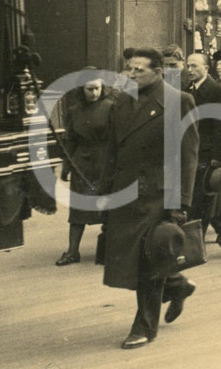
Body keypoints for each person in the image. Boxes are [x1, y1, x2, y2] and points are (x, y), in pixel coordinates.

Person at [99, 47, 199, 349]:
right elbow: (112, 152)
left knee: (147, 260)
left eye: (138, 70)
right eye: (128, 68)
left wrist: (180, 202)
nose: (130, 74)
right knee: (133, 258)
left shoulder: (178, 101)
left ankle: (144, 326)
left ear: (158, 72)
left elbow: (188, 155)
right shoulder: (120, 104)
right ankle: (177, 285)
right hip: (125, 191)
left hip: (158, 193)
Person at [56, 69, 116, 266]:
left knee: (109, 206)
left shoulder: (111, 107)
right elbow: (70, 140)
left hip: (105, 160)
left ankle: (110, 250)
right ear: (81, 89)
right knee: (78, 208)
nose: (94, 93)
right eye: (89, 89)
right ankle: (73, 251)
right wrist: (66, 165)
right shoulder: (74, 111)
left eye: (97, 88)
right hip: (81, 162)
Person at [184, 53, 221, 241]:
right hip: (193, 150)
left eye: (195, 66)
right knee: (203, 197)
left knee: (202, 197)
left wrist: (218, 157)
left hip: (207, 152)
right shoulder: (189, 89)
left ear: (206, 68)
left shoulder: (217, 91)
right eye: (188, 66)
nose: (190, 70)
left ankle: (195, 241)